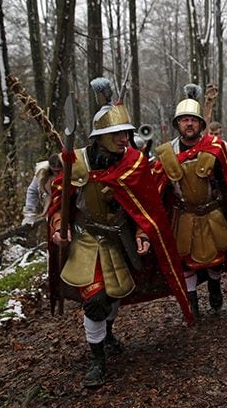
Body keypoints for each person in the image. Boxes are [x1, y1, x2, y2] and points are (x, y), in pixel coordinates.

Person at [49, 88, 192, 388]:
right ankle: (97, 360)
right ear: (97, 136)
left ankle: (108, 333)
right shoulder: (74, 162)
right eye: (115, 133)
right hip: (87, 241)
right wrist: (58, 226)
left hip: (119, 239)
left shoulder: (135, 162)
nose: (123, 138)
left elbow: (145, 205)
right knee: (95, 300)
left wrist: (143, 232)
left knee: (114, 294)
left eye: (125, 132)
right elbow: (58, 202)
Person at [152, 84, 227, 318]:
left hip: (213, 213)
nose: (189, 124)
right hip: (183, 214)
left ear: (200, 124)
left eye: (193, 120)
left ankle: (215, 290)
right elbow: (158, 189)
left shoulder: (215, 149)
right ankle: (192, 302)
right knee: (185, 260)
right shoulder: (167, 153)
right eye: (184, 120)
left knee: (215, 260)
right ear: (178, 124)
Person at [21, 153, 63, 228]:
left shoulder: (71, 173)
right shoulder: (42, 174)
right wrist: (29, 214)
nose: (56, 173)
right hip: (50, 209)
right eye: (54, 171)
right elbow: (32, 191)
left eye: (59, 171)